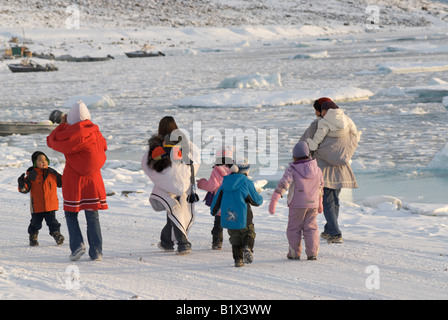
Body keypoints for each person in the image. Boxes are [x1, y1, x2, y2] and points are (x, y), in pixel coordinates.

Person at [47, 100, 108, 261]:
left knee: (71, 214)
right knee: (92, 216)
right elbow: (104, 147)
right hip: (93, 180)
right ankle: (96, 252)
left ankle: (77, 246)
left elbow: (51, 140)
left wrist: (62, 125)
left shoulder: (70, 134)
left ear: (71, 118)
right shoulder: (96, 132)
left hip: (74, 179)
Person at [300, 97, 360, 244]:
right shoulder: (345, 122)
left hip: (323, 167)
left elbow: (304, 145)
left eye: (316, 109)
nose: (315, 112)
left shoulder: (318, 124)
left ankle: (335, 233)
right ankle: (329, 229)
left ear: (321, 110)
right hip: (341, 166)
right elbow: (353, 138)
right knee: (334, 200)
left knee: (326, 200)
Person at [141, 116, 200, 255]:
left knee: (173, 210)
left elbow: (146, 164)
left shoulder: (156, 146)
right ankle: (168, 242)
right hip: (184, 184)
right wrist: (185, 176)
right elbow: (195, 158)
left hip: (164, 186)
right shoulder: (186, 143)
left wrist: (162, 178)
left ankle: (181, 244)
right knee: (176, 211)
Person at [268, 142, 323, 260]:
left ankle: (294, 253)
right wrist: (320, 201)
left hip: (297, 204)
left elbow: (284, 184)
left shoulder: (292, 169)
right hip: (313, 203)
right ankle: (312, 253)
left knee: (294, 228)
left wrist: (275, 198)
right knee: (311, 228)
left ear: (294, 156)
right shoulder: (317, 169)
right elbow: (320, 186)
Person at [211, 159, 263, 267]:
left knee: (235, 238)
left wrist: (213, 210)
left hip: (229, 215)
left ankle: (238, 260)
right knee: (249, 232)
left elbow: (217, 199)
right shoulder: (246, 181)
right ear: (246, 171)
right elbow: (256, 200)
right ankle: (247, 247)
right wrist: (260, 199)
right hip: (244, 215)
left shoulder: (225, 182)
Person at [18, 151, 65, 246]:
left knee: (53, 222)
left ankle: (57, 235)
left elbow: (63, 182)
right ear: (35, 163)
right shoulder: (32, 175)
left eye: (45, 160)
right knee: (36, 223)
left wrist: (70, 175)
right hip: (37, 206)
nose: (43, 162)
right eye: (40, 160)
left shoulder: (52, 173)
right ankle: (33, 236)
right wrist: (21, 184)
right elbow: (25, 189)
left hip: (50, 205)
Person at [196, 146, 233, 250]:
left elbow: (211, 186)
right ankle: (237, 241)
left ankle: (217, 243)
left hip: (220, 202)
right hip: (233, 202)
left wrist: (201, 183)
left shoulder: (217, 171)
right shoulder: (234, 170)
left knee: (218, 224)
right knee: (234, 222)